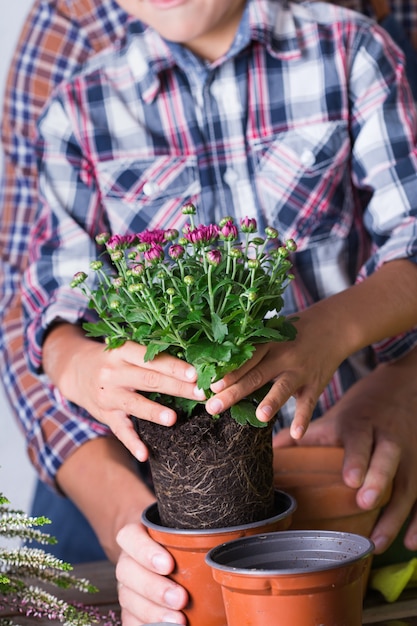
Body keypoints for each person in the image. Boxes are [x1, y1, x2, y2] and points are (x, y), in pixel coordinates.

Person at [0, 0, 415, 623]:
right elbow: (40, 303)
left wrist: (336, 336)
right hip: (152, 479)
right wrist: (73, 361)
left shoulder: (352, 48)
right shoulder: (79, 105)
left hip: (337, 442)